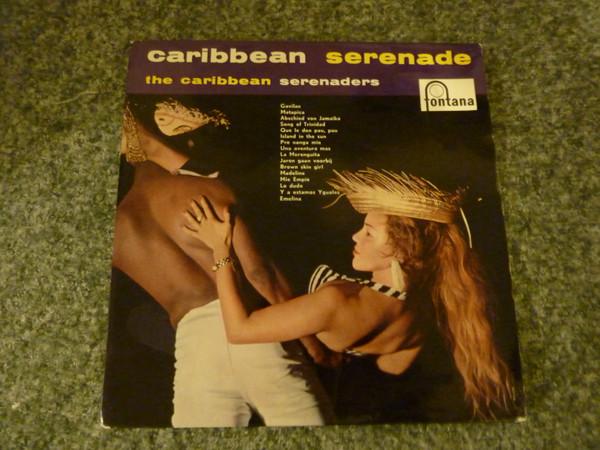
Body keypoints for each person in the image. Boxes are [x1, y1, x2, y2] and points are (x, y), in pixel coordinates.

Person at [183, 168, 518, 421]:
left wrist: (220, 249)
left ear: (404, 247)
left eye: (369, 232)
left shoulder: (341, 302)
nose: (356, 237)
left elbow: (239, 330)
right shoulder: (432, 299)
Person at [109, 100, 332, 427]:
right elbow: (260, 274)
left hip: (194, 350)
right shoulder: (206, 189)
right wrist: (314, 345)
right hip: (255, 329)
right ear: (186, 138)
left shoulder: (116, 224)